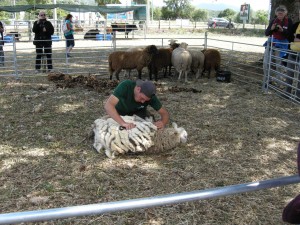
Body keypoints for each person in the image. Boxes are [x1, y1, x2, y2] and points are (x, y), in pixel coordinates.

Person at [104, 79, 169, 130]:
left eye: (146, 100)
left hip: (138, 116)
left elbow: (164, 113)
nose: (143, 102)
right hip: (120, 114)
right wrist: (123, 123)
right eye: (142, 98)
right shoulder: (125, 86)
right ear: (138, 89)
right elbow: (108, 105)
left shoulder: (150, 96)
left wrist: (163, 122)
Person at [264, 5, 293, 81]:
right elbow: (266, 33)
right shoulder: (273, 21)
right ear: (276, 13)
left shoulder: (289, 21)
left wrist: (282, 30)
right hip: (271, 43)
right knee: (266, 62)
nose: (280, 13)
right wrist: (272, 29)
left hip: (282, 45)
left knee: (279, 64)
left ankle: (279, 81)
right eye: (279, 12)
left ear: (286, 13)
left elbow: (291, 36)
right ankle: (267, 80)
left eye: (282, 12)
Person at [284, 20, 300, 101]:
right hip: (292, 53)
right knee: (289, 73)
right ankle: (287, 93)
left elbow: (293, 36)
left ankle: (298, 96)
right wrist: (295, 37)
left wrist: (296, 36)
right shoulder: (296, 24)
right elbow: (289, 36)